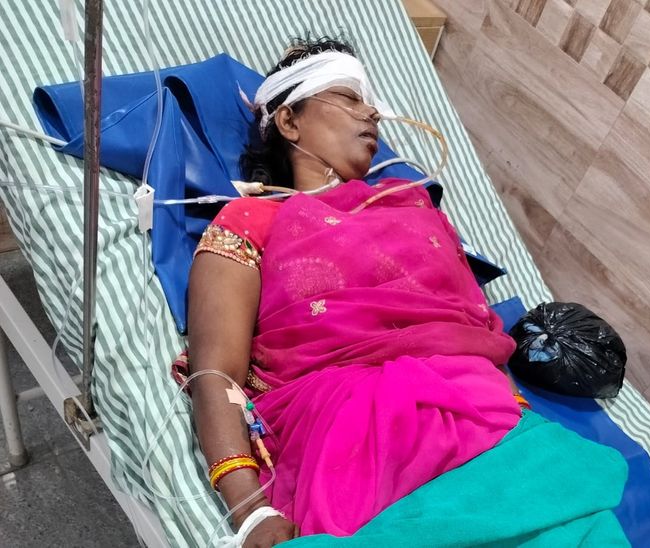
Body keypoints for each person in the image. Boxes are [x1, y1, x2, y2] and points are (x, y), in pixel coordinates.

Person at [183, 37, 625, 548]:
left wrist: (512, 415)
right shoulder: (250, 220)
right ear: (289, 121)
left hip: (483, 420)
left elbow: (473, 333)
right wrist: (251, 510)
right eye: (349, 97)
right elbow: (215, 373)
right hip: (357, 436)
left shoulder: (415, 210)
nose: (372, 112)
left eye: (369, 102)